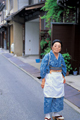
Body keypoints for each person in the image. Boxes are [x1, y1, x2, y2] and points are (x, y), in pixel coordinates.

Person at [40, 39, 66, 120]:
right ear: (52, 47)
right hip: (50, 77)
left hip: (58, 78)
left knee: (58, 96)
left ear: (61, 48)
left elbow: (64, 67)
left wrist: (63, 76)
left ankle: (56, 113)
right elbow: (42, 68)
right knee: (49, 96)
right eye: (55, 46)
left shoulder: (61, 56)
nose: (57, 48)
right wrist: (43, 80)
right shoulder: (48, 56)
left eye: (59, 46)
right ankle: (47, 115)